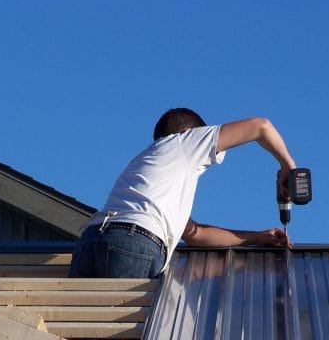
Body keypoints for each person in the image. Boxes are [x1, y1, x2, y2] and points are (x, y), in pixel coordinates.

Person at [69, 108, 297, 279]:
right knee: (119, 339)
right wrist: (289, 166)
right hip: (132, 242)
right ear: (190, 133)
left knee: (80, 338)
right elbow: (260, 126)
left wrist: (257, 237)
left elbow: (195, 234)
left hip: (91, 241)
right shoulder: (182, 142)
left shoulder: (149, 172)